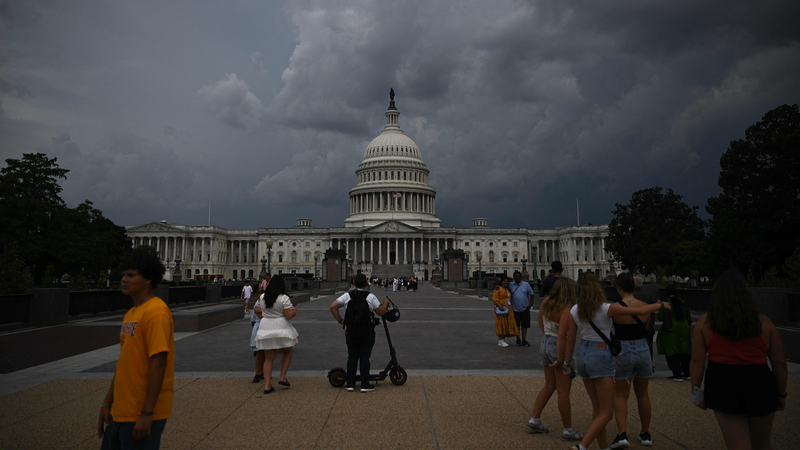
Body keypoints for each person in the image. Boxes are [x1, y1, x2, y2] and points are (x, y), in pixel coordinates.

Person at [564, 273, 669, 450]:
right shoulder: (606, 308)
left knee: (597, 408)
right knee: (606, 412)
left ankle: (604, 447)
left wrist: (567, 363)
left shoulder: (574, 309)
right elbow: (640, 311)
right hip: (600, 354)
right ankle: (582, 446)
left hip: (583, 354)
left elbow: (570, 339)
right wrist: (659, 305)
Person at [690, 269, 787, 450]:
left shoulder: (705, 323)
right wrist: (781, 393)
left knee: (737, 444)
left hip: (722, 384)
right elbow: (779, 363)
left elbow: (697, 362)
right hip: (759, 382)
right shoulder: (764, 323)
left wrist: (696, 392)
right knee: (762, 443)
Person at [98, 248, 174, 449]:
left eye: (131, 275)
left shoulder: (156, 312)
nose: (124, 279)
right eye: (123, 274)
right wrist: (107, 402)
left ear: (148, 279)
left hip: (142, 412)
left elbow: (159, 363)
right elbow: (124, 363)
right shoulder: (131, 313)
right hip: (120, 411)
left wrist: (147, 413)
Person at [527, 277, 583, 442]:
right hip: (557, 346)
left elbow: (539, 318)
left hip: (545, 342)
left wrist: (547, 333)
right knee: (563, 391)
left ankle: (534, 419)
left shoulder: (547, 302)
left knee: (549, 385)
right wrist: (563, 360)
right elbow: (563, 337)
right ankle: (568, 429)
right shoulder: (566, 310)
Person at [609, 273, 656, 449]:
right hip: (642, 347)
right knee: (643, 394)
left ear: (619, 288)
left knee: (621, 395)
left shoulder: (615, 308)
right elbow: (646, 327)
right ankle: (645, 433)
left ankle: (622, 434)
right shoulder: (644, 306)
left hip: (623, 348)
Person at [330, 273, 390, 392]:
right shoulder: (370, 296)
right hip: (367, 332)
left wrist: (341, 321)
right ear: (366, 284)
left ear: (354, 284)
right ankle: (364, 384)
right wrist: (385, 302)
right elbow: (381, 312)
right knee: (364, 357)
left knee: (352, 357)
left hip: (351, 331)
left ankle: (350, 384)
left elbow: (333, 307)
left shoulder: (347, 295)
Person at [254, 276, 298, 394]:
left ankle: (267, 385)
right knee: (287, 351)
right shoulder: (284, 298)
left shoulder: (263, 297)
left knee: (269, 358)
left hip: (266, 326)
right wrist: (294, 310)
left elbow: (261, 310)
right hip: (281, 326)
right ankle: (282, 377)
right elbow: (289, 315)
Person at [656, 284, 692, 381]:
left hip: (671, 328)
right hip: (684, 327)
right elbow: (688, 316)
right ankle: (687, 372)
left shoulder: (666, 303)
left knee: (672, 350)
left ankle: (677, 374)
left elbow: (660, 317)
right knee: (685, 350)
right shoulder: (682, 302)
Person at [509, 271, 535, 346]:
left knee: (525, 325)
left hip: (525, 308)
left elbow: (532, 294)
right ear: (514, 277)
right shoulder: (511, 285)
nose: (517, 277)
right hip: (515, 308)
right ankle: (518, 339)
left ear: (521, 277)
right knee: (516, 325)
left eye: (518, 276)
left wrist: (530, 304)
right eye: (516, 276)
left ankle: (524, 339)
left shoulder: (526, 284)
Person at [493, 276, 519, 347]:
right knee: (501, 323)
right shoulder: (498, 289)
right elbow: (495, 298)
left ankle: (502, 340)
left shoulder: (508, 290)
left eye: (507, 281)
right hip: (501, 308)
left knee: (506, 323)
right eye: (504, 281)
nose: (506, 282)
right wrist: (499, 305)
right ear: (501, 282)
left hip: (508, 309)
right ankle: (501, 340)